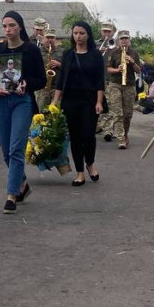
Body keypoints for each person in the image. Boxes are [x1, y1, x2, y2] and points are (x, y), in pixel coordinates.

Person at [0, 11, 46, 213]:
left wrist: (26, 84)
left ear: (20, 27)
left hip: (22, 102)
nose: (8, 29)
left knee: (16, 149)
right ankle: (22, 182)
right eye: (5, 25)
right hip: (1, 102)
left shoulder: (30, 50)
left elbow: (41, 79)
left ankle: (11, 195)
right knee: (6, 151)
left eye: (12, 25)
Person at [52, 21, 105, 186]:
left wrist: (99, 102)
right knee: (75, 137)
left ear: (88, 35)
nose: (78, 36)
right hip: (70, 101)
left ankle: (90, 163)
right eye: (75, 33)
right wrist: (54, 102)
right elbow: (61, 80)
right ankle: (80, 172)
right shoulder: (68, 54)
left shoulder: (95, 55)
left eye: (81, 33)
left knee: (88, 135)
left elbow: (99, 81)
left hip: (89, 101)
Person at [106, 30, 141, 149]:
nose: (124, 41)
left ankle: (125, 134)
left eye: (126, 38)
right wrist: (117, 69)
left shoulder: (134, 53)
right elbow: (108, 69)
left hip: (129, 85)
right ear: (118, 41)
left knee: (127, 114)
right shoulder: (114, 53)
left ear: (129, 40)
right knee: (117, 113)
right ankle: (121, 138)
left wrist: (132, 62)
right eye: (122, 39)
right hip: (115, 84)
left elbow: (138, 70)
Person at [97, 21, 117, 140]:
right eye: (104, 31)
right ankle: (98, 126)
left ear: (113, 32)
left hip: (110, 79)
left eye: (109, 31)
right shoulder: (95, 44)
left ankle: (109, 130)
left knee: (110, 105)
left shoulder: (115, 45)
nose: (106, 34)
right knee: (97, 104)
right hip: (97, 79)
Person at [36, 28, 63, 111]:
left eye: (52, 37)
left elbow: (68, 68)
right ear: (44, 39)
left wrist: (59, 64)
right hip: (42, 89)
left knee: (56, 114)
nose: (50, 40)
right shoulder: (38, 51)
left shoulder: (62, 51)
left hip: (57, 88)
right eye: (48, 37)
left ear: (55, 39)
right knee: (41, 113)